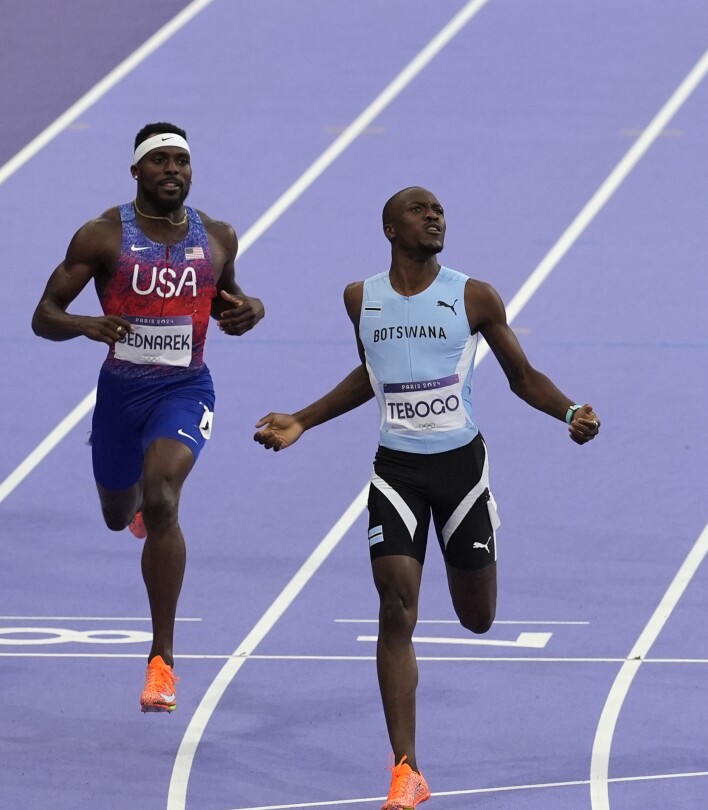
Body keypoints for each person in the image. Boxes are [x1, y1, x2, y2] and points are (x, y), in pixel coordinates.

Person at [252, 186, 600, 809]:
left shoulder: (474, 296)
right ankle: (406, 769)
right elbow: (373, 373)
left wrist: (569, 411)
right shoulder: (361, 298)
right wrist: (303, 419)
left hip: (461, 471)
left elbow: (522, 378)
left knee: (478, 619)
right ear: (389, 229)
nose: (435, 216)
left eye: (440, 209)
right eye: (420, 210)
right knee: (395, 606)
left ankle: (482, 539)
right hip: (397, 472)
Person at [31, 122, 265, 713]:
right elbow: (44, 315)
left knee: (163, 496)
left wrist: (251, 310)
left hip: (185, 389)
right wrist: (86, 323)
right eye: (160, 162)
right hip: (119, 395)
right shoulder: (103, 236)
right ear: (135, 170)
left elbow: (227, 299)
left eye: (182, 162)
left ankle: (161, 660)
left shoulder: (217, 237)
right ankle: (133, 508)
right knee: (120, 514)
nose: (173, 172)